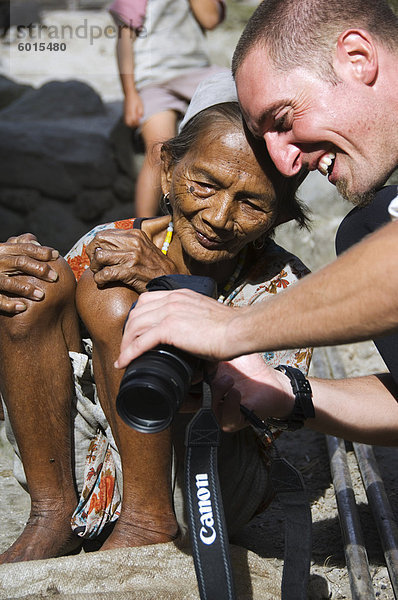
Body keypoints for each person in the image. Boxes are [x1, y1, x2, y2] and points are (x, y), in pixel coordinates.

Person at [0, 73, 312, 563]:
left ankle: (149, 521)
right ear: (167, 169)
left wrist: (172, 286)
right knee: (41, 287)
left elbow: (268, 415)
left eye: (252, 203)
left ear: (279, 216)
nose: (218, 216)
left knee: (116, 299)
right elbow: (35, 355)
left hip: (204, 478)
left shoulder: (285, 288)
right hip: (96, 455)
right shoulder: (112, 241)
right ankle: (52, 513)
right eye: (204, 185)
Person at [114, 0, 398, 445]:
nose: (286, 162)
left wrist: (230, 329)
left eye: (283, 118)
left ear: (357, 58)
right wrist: (288, 394)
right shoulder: (374, 223)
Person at [109, 0, 227, 217]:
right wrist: (130, 94)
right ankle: (141, 228)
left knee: (234, 100)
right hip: (154, 80)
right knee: (158, 150)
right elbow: (124, 41)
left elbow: (210, 19)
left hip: (196, 72)